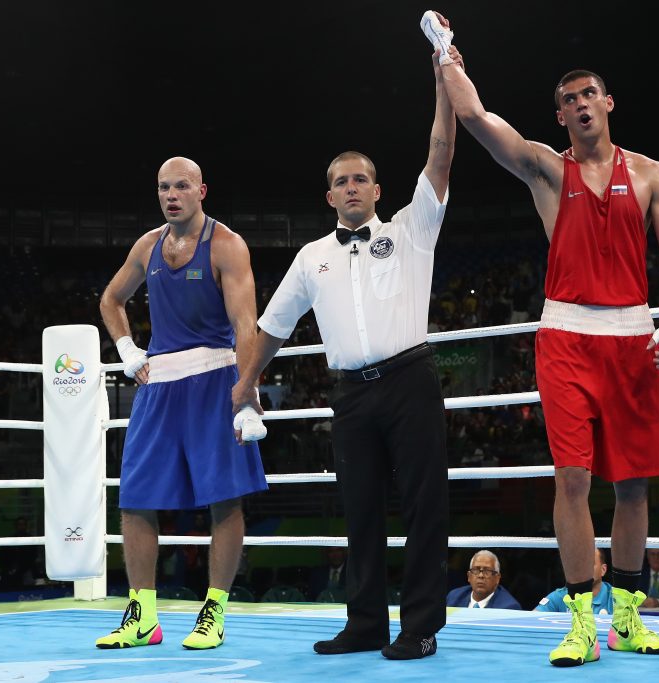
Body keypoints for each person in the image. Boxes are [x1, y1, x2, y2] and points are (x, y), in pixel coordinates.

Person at [432, 11, 659, 667]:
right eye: (568, 100)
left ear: (608, 103)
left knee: (633, 484)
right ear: (561, 117)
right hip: (567, 337)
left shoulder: (651, 174)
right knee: (572, 478)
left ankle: (627, 618)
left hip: (636, 337)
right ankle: (582, 619)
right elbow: (476, 119)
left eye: (588, 94)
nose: (580, 105)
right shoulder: (549, 171)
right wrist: (444, 51)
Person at [231, 43, 455, 661]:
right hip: (351, 394)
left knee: (423, 506)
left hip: (411, 379)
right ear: (329, 196)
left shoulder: (413, 228)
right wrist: (245, 383)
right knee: (358, 510)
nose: (351, 186)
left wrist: (443, 78)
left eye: (360, 178)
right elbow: (273, 325)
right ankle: (366, 623)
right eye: (340, 181)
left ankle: (420, 627)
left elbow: (440, 153)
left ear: (378, 189)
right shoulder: (312, 256)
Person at [96, 157, 268, 651]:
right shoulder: (147, 245)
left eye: (181, 186)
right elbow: (111, 300)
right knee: (135, 498)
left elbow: (245, 324)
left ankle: (213, 611)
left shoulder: (228, 246)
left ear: (201, 191)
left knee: (225, 497)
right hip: (159, 385)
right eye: (163, 187)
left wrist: (247, 390)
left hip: (216, 379)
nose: (172, 195)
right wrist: (128, 351)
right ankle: (143, 616)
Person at [536, 547, 613, 615]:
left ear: (603, 570)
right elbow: (532, 619)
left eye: (590, 563)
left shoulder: (615, 598)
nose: (583, 568)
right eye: (579, 564)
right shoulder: (560, 596)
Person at [447, 550, 522, 609]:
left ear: (497, 578)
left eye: (487, 571)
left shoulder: (508, 607)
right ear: (469, 576)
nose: (481, 575)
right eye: (476, 570)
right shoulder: (454, 597)